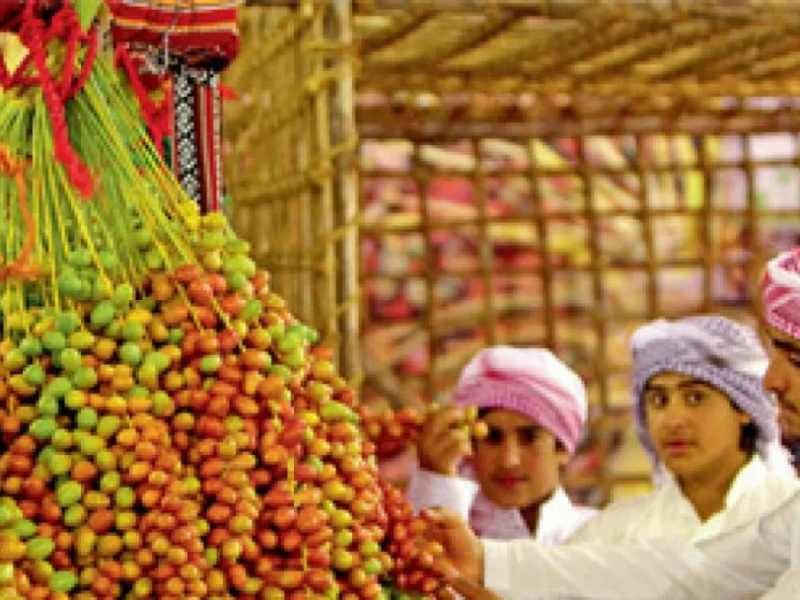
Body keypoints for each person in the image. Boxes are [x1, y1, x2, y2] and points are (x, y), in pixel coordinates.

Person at [425, 248, 800, 599]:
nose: (773, 381)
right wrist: (486, 562)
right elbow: (694, 572)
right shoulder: (619, 527)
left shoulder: (780, 498)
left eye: (695, 397)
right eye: (659, 400)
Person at [569, 315, 796, 546]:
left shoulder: (789, 512)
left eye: (695, 398)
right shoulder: (613, 533)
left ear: (744, 408)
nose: (672, 421)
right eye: (659, 400)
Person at [407, 346, 595, 542]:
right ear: (471, 446)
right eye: (492, 437)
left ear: (562, 449)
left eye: (529, 438)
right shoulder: (447, 530)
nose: (509, 460)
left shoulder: (600, 537)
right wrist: (435, 479)